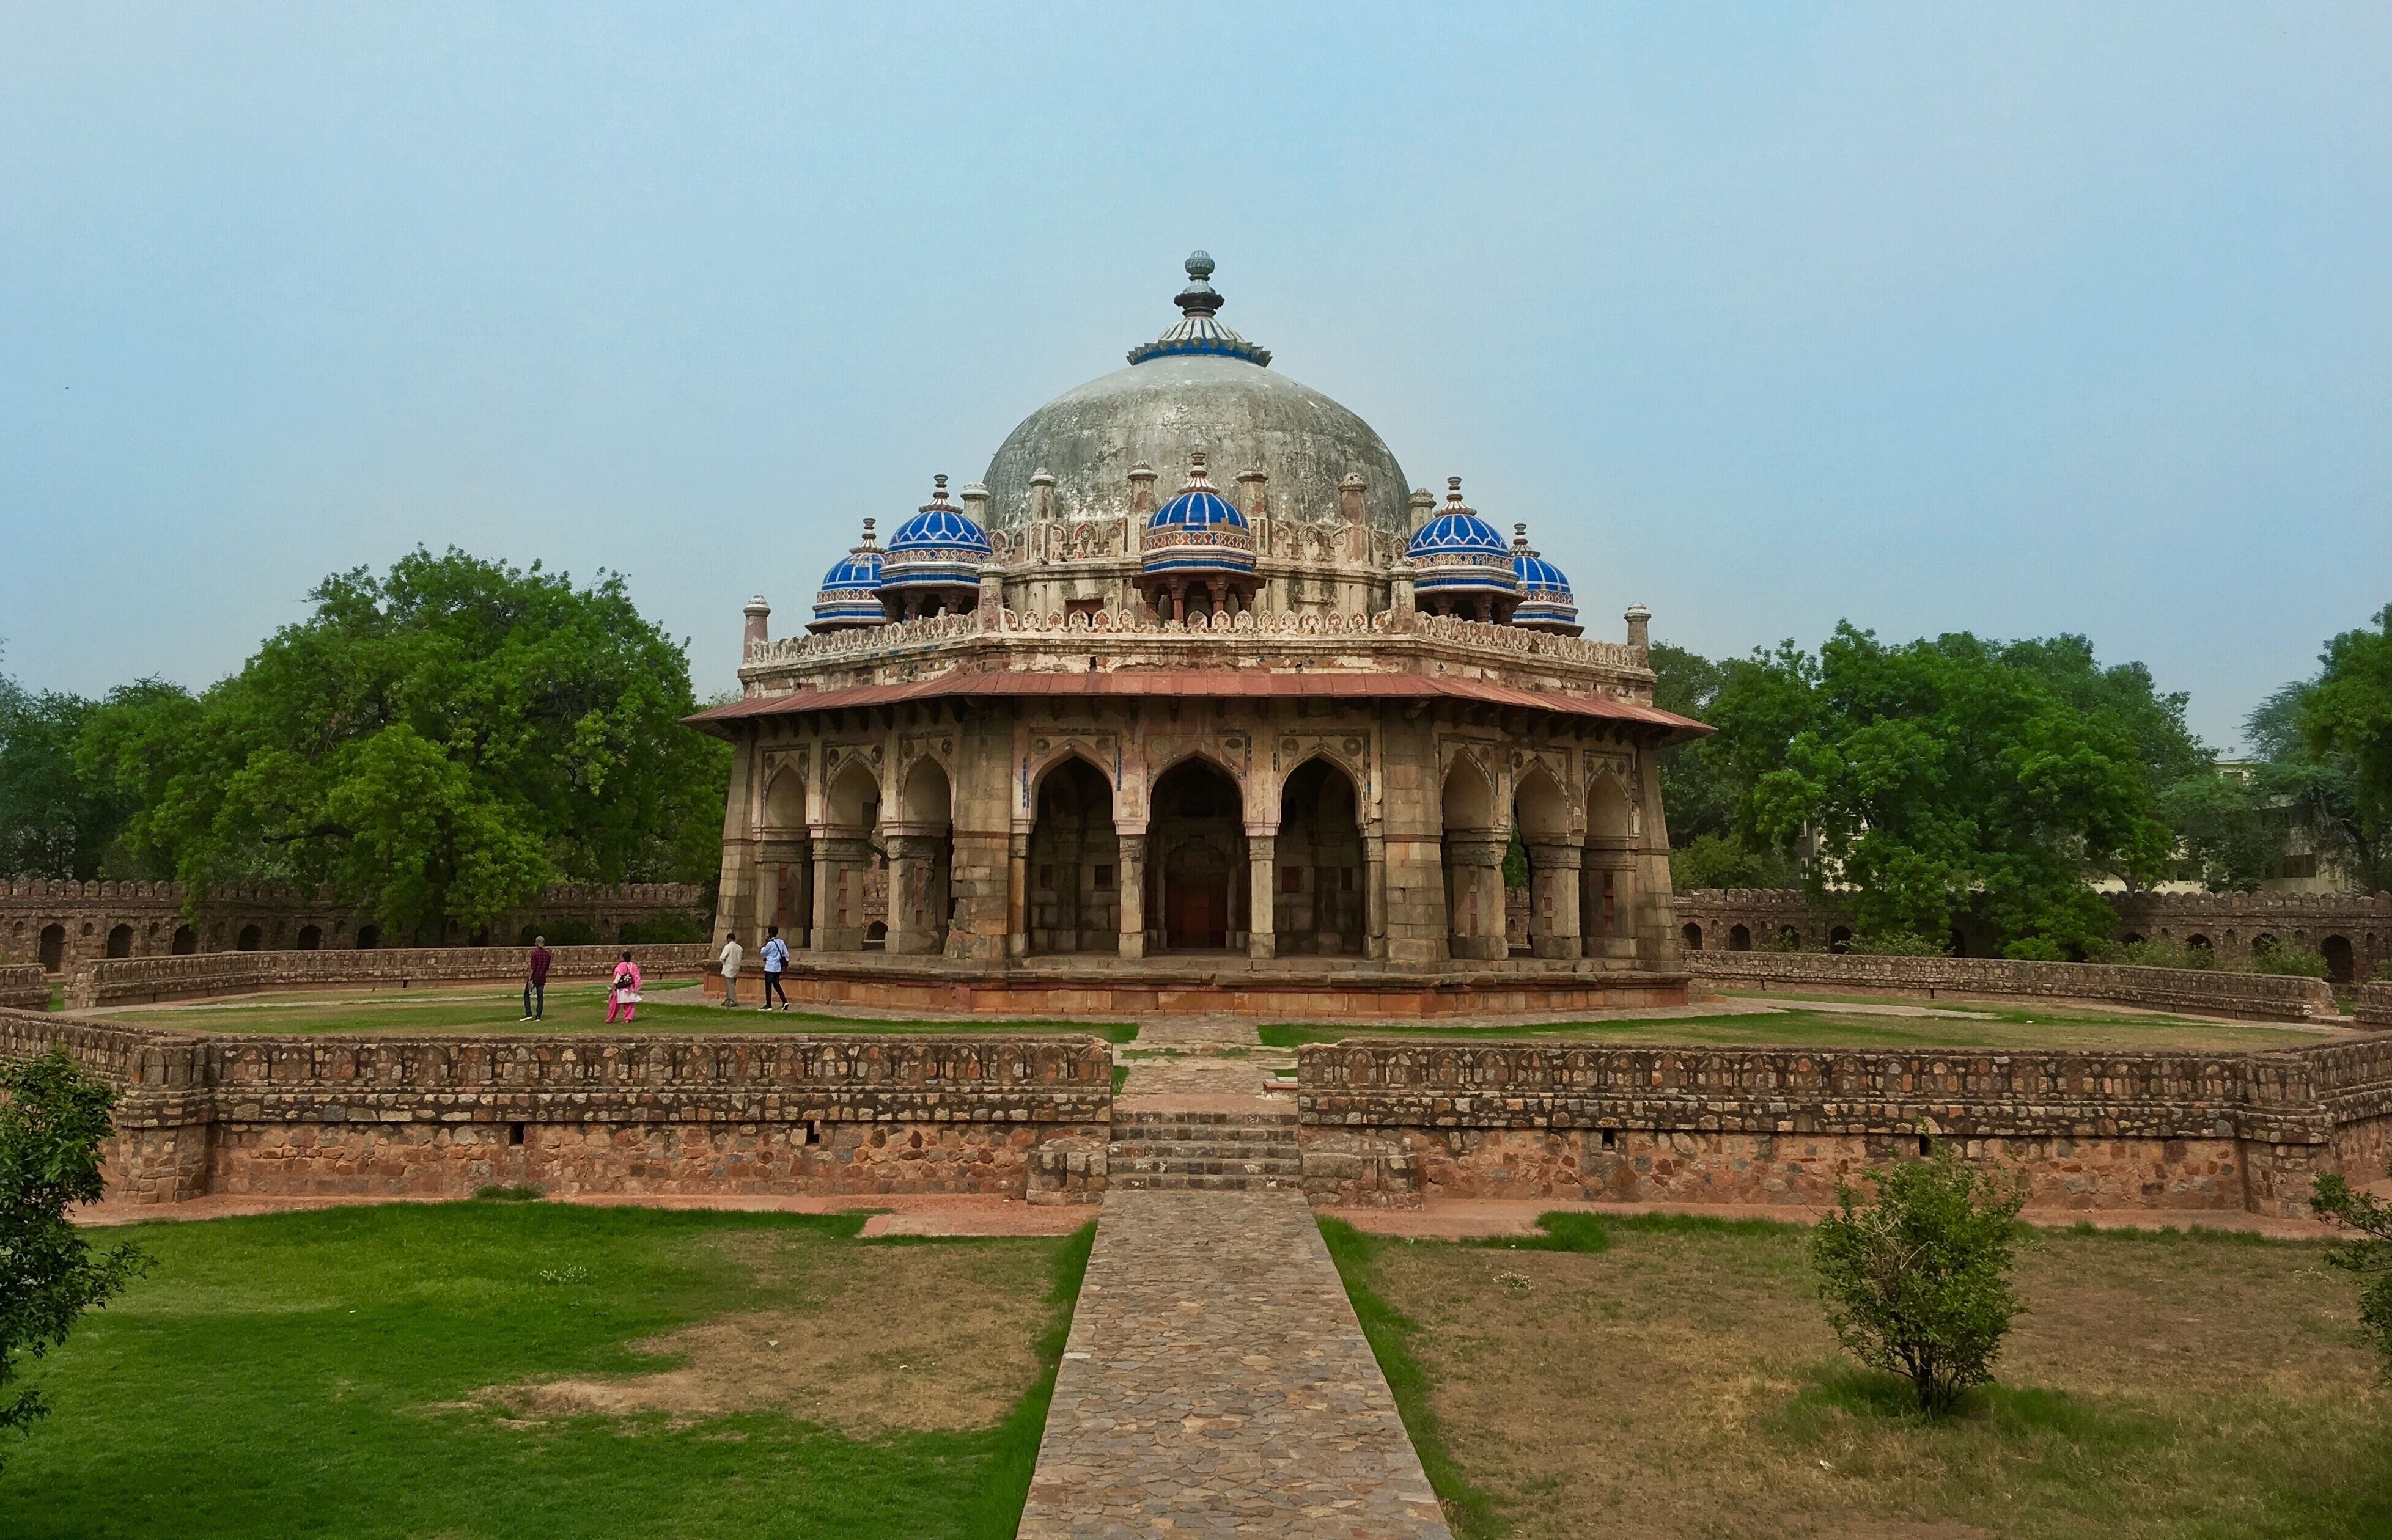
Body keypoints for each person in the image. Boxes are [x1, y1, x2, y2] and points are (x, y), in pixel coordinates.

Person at [605, 950, 642, 1024]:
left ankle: (611, 1018)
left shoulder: (622, 965)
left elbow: (618, 976)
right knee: (629, 1004)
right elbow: (637, 977)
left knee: (614, 1004)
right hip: (630, 988)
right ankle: (628, 1018)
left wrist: (614, 985)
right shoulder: (634, 966)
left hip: (621, 988)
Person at [521, 936, 551, 1021]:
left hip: (534, 978)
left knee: (527, 994)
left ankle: (529, 1013)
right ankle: (538, 1015)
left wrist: (530, 978)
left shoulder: (534, 953)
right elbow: (547, 968)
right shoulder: (547, 955)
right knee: (540, 996)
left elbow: (533, 968)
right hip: (542, 978)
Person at [760, 925, 789, 1011]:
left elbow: (763, 952)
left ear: (770, 933)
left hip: (770, 967)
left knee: (768, 986)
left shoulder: (770, 944)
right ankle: (784, 1001)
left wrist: (766, 942)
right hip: (778, 967)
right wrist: (786, 963)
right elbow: (786, 954)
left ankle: (769, 1005)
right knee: (777, 984)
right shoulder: (781, 942)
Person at [717, 933, 745, 1007]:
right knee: (731, 985)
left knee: (730, 985)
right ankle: (728, 999)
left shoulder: (728, 947)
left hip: (729, 968)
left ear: (729, 939)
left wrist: (724, 965)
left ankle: (734, 1000)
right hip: (736, 968)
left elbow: (722, 958)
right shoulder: (739, 948)